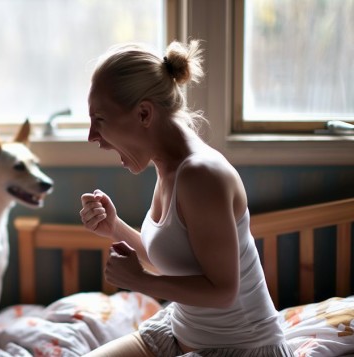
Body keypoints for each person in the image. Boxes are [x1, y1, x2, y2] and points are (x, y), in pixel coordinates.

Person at [79, 40, 292, 356]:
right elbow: (176, 263)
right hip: (177, 332)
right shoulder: (168, 164)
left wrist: (142, 283)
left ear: (144, 113)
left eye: (100, 120)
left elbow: (223, 292)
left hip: (241, 348)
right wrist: (116, 228)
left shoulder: (200, 176)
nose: (92, 137)